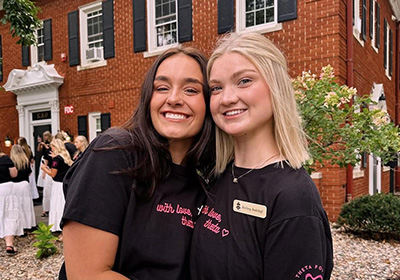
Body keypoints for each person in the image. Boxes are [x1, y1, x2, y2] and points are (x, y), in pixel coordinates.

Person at [59, 46, 214, 279]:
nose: (173, 99)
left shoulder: (206, 182)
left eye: (191, 89)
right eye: (161, 88)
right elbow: (87, 274)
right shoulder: (114, 153)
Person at [190, 32, 333, 280]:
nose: (227, 98)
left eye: (244, 81)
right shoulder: (218, 176)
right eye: (216, 88)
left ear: (275, 86)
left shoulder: (292, 197)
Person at [41, 138, 73, 233]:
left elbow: (53, 174)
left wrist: (44, 168)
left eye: (52, 147)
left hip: (58, 184)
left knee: (57, 204)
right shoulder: (65, 157)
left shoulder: (56, 160)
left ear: (55, 147)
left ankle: (57, 226)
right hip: (65, 184)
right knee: (63, 204)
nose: (51, 149)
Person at [10, 144, 36, 230]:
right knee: (27, 205)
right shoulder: (26, 161)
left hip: (14, 185)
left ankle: (19, 225)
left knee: (17, 206)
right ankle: (29, 224)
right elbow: (29, 173)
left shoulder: (11, 162)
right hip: (24, 184)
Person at [0, 151, 18, 254]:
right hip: (7, 188)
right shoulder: (5, 159)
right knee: (9, 215)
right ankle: (9, 245)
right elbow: (14, 174)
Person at [37, 131, 53, 217]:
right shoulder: (44, 146)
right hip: (44, 161)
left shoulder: (50, 145)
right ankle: (46, 208)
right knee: (46, 190)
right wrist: (40, 144)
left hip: (48, 165)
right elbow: (39, 151)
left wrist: (46, 146)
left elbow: (47, 152)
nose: (45, 137)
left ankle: (48, 208)